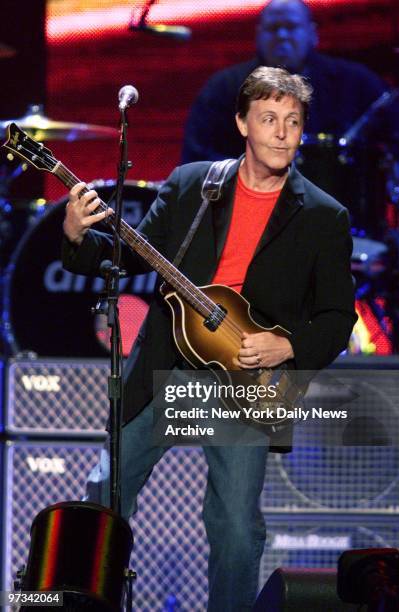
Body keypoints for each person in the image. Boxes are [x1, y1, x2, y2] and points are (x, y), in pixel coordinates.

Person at [62, 66, 357, 611]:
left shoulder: (322, 215)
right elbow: (129, 254)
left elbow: (339, 316)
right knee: (103, 495)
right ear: (243, 123)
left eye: (292, 122)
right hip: (172, 366)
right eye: (269, 119)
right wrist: (80, 235)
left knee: (236, 530)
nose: (281, 132)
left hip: (247, 383)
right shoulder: (193, 184)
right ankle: (75, 604)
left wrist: (286, 345)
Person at [181, 0, 399, 164]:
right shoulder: (224, 88)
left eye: (291, 27)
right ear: (258, 35)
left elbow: (396, 136)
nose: (282, 36)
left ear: (312, 33)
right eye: (273, 28)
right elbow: (197, 158)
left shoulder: (354, 82)